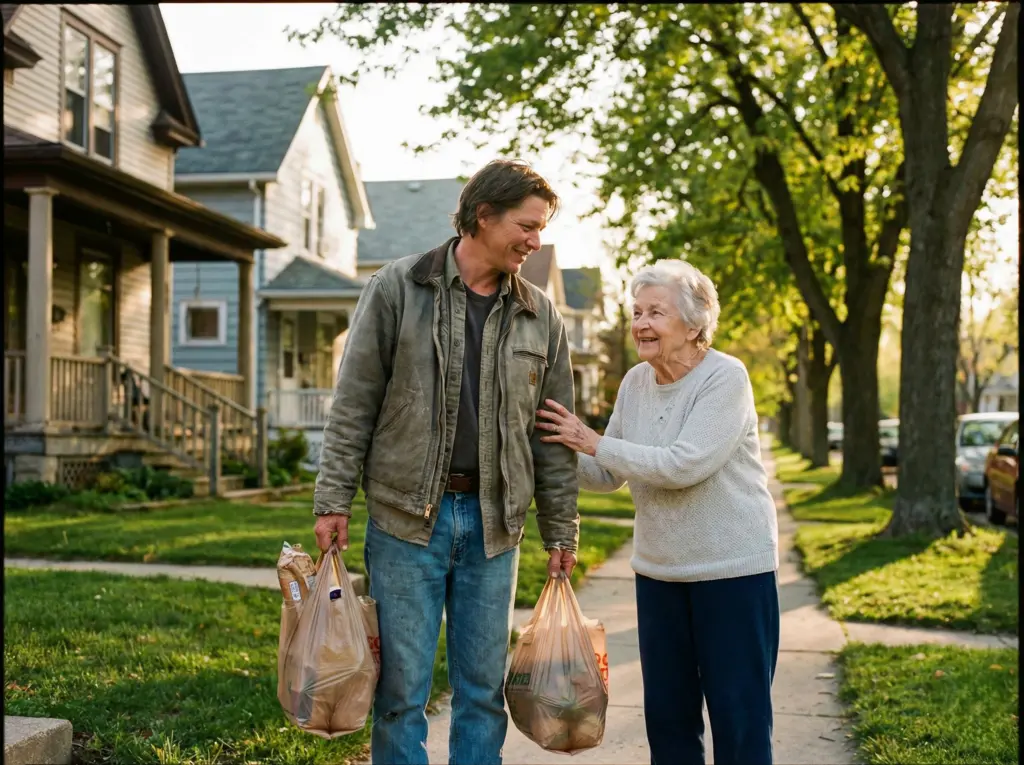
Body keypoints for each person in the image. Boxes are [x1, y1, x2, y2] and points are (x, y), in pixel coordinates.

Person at [313, 159, 581, 765]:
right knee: (401, 694)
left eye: (540, 229)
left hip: (495, 528)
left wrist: (560, 528)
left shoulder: (542, 314)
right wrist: (333, 500)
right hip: (407, 521)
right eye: (526, 226)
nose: (536, 241)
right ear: (482, 216)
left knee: (482, 693)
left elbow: (553, 437)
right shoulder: (397, 288)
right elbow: (352, 404)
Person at [536, 259, 780, 765]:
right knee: (668, 719)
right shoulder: (635, 382)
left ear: (695, 326)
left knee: (739, 720)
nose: (641, 324)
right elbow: (608, 473)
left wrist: (596, 442)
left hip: (731, 574)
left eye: (656, 313)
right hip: (659, 574)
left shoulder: (725, 378)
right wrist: (550, 450)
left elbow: (685, 464)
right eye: (637, 311)